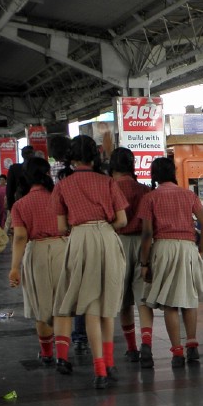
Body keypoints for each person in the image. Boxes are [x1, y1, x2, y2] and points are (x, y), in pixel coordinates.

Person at [52, 134, 128, 389]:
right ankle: (109, 362)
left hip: (80, 240)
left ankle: (99, 370)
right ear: (94, 156)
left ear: (71, 158)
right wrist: (104, 228)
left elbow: (62, 226)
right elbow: (122, 221)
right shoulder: (107, 182)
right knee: (108, 305)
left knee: (91, 308)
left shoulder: (63, 185)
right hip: (107, 238)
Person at [138, 157, 203, 368]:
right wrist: (200, 249)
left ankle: (177, 353)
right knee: (189, 298)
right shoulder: (189, 195)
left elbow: (147, 233)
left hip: (163, 247)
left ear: (154, 175)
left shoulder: (150, 198)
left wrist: (144, 263)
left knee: (170, 303)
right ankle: (192, 344)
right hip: (188, 247)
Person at [8, 157, 64, 366]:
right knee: (62, 304)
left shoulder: (20, 205)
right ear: (47, 174)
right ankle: (63, 354)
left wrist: (14, 268)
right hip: (62, 248)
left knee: (42, 306)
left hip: (37, 253)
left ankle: (47, 353)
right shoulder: (58, 198)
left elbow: (21, 237)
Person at [107, 148, 153, 365]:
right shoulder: (144, 189)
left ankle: (132, 348)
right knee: (143, 298)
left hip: (118, 244)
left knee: (123, 300)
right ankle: (147, 344)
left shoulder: (110, 189)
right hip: (144, 243)